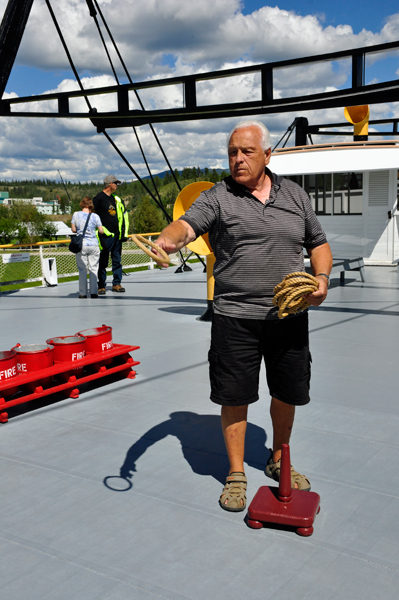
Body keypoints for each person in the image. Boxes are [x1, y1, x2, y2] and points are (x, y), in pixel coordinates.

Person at [155, 120, 333, 512]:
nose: (238, 159)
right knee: (234, 397)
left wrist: (321, 279)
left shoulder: (296, 197)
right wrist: (166, 240)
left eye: (247, 151)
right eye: (232, 152)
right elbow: (186, 227)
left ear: (267, 155)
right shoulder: (218, 197)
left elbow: (319, 244)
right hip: (235, 317)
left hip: (288, 317)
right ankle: (236, 473)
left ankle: (278, 457)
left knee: (288, 393)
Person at [93, 174, 129, 294]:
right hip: (105, 236)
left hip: (117, 236)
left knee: (117, 260)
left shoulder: (115, 199)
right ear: (110, 184)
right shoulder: (99, 198)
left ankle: (116, 284)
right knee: (103, 261)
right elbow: (93, 216)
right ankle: (101, 285)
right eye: (116, 183)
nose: (117, 186)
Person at [71, 197, 103, 298]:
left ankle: (83, 293)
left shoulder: (76, 214)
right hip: (93, 244)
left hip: (82, 245)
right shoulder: (95, 216)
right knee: (94, 269)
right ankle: (94, 292)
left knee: (82, 269)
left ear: (82, 204)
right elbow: (101, 230)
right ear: (91, 205)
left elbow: (73, 230)